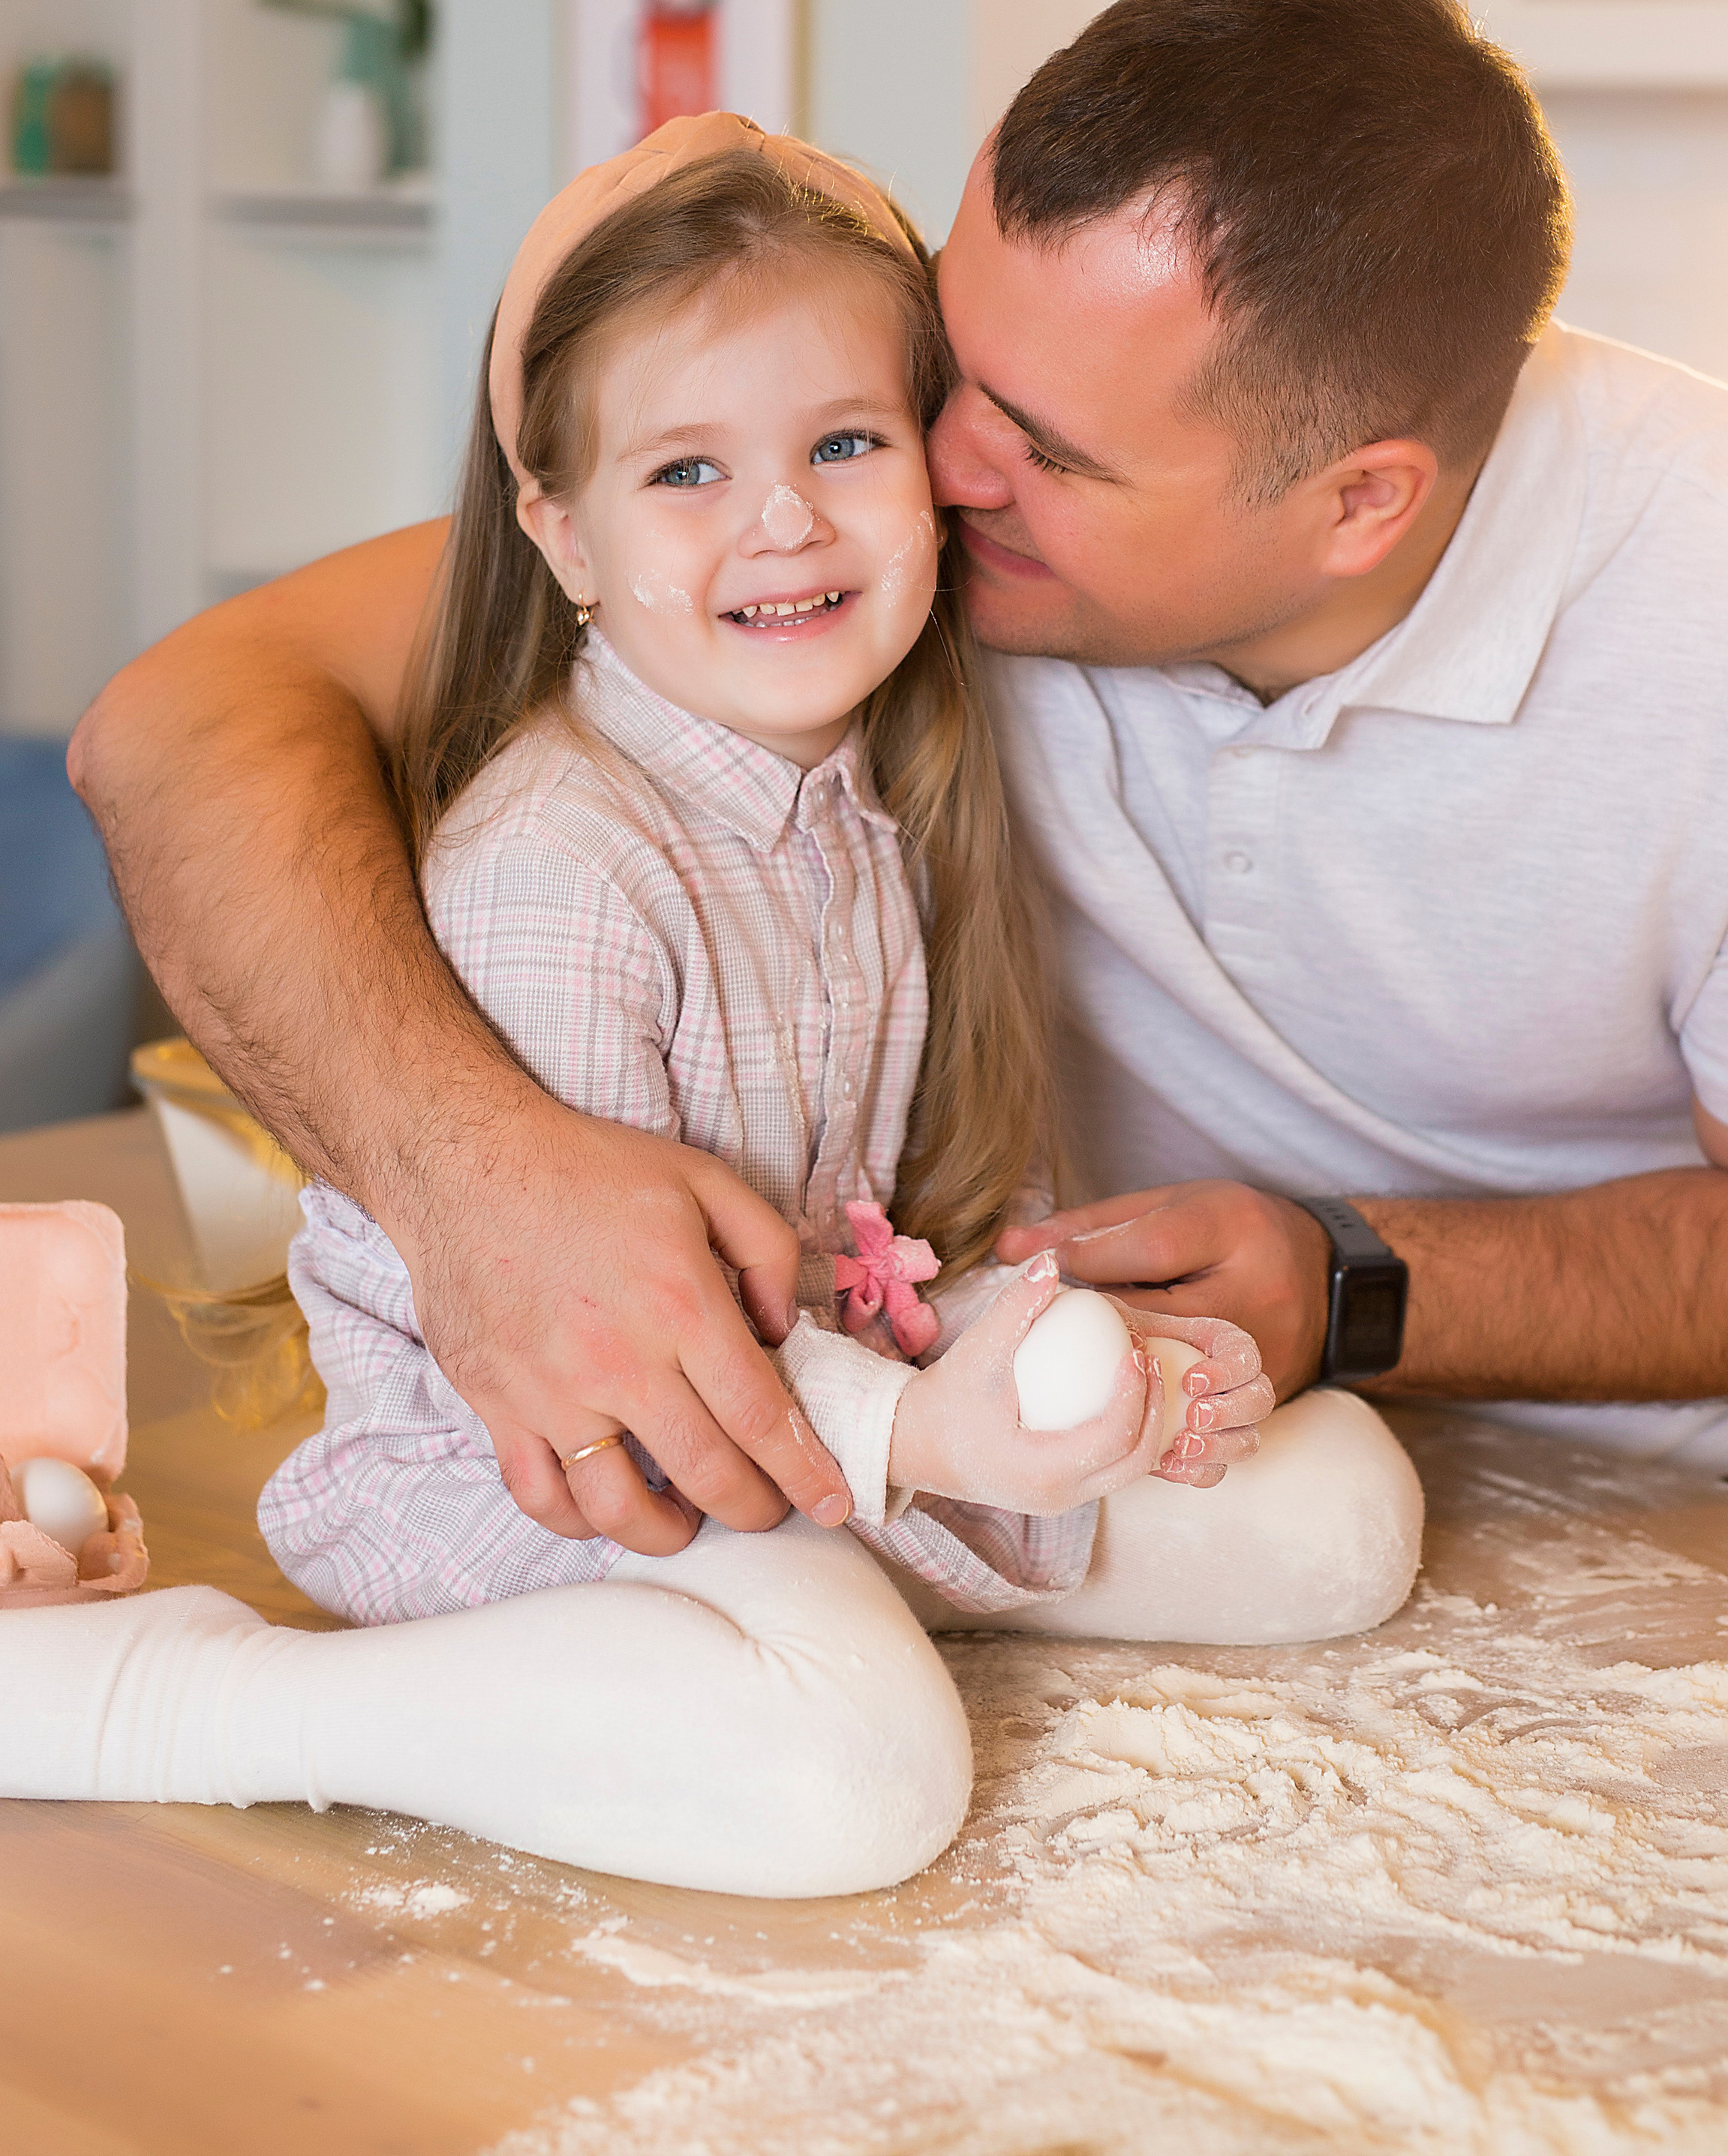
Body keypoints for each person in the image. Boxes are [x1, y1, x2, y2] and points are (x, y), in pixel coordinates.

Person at [68, 0, 1728, 1531]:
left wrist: (1350, 1277)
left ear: (1360, 502)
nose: (928, 473)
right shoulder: (856, 531)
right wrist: (476, 1187)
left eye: (1045, 447)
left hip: (1698, 1489)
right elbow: (178, 726)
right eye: (946, 367)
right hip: (1040, 1447)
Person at [5, 133, 1417, 1898]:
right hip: (542, 1465)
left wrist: (1079, 1372)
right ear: (561, 535)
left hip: (797, 1422)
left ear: (934, 480)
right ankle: (192, 1695)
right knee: (851, 1770)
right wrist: (924, 1437)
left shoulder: (864, 815)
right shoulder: (560, 863)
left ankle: (806, 1616)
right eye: (688, 469)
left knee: (1340, 1508)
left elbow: (864, 1243)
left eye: (843, 443)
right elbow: (583, 1355)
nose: (783, 520)